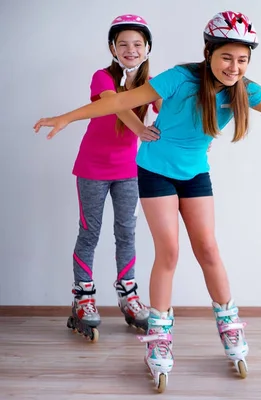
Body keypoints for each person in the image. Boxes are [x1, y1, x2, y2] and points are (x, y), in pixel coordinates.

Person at [34, 10, 261, 391]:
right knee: (169, 252)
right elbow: (119, 102)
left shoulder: (243, 90)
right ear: (208, 52)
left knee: (209, 249)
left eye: (242, 60)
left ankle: (229, 325)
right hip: (155, 171)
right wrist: (66, 117)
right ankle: (160, 336)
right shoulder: (179, 79)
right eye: (227, 57)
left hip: (195, 174)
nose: (234, 66)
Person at [63, 14, 162, 342]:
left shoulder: (151, 84)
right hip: (92, 167)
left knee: (127, 233)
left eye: (137, 44)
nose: (130, 49)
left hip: (129, 171)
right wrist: (139, 128)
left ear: (147, 48)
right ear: (112, 48)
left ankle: (128, 296)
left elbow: (169, 107)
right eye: (123, 44)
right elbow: (114, 105)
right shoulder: (102, 77)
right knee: (90, 232)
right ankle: (83, 297)